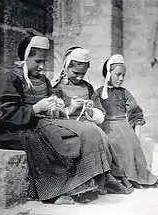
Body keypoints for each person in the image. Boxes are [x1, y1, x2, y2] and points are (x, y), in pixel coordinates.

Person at [0, 35, 127, 205]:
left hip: (42, 123)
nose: (42, 66)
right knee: (62, 140)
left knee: (89, 131)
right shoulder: (11, 78)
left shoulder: (42, 80)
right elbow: (7, 114)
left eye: (44, 61)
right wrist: (35, 108)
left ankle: (90, 183)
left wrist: (58, 107)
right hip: (14, 129)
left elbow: (50, 104)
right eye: (38, 61)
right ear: (25, 57)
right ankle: (59, 190)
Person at [51, 46, 133, 194]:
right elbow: (51, 115)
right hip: (64, 125)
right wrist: (69, 109)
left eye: (83, 74)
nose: (79, 77)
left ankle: (102, 179)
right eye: (75, 73)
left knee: (101, 136)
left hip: (86, 124)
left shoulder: (87, 87)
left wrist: (90, 110)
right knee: (91, 135)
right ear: (65, 67)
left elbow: (100, 113)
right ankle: (89, 181)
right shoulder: (56, 88)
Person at [95, 54, 158, 188]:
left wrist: (136, 135)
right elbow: (95, 113)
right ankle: (115, 178)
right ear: (108, 73)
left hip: (123, 127)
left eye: (123, 75)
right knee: (110, 144)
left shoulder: (124, 93)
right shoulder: (98, 93)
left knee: (130, 144)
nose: (121, 78)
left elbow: (135, 113)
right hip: (106, 128)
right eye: (118, 75)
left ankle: (134, 177)